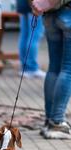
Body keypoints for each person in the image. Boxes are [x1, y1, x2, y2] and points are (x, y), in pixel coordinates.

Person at [31, 0, 71, 139]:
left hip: (50, 15)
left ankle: (50, 120)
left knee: (54, 68)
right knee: (68, 69)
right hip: (66, 10)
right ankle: (57, 122)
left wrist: (35, 4)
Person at [17, 0, 46, 79]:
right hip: (34, 5)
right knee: (34, 36)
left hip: (22, 4)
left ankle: (25, 67)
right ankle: (31, 68)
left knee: (25, 35)